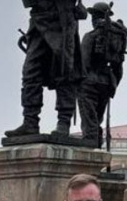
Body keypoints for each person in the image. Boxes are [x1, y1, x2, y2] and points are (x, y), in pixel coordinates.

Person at [5, 0, 87, 138]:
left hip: (61, 18)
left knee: (64, 71)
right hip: (37, 18)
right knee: (30, 72)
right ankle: (30, 122)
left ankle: (63, 122)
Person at [78, 2, 127, 147]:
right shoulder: (118, 38)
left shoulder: (90, 36)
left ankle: (90, 143)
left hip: (89, 82)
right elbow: (118, 68)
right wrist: (113, 85)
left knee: (89, 118)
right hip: (107, 83)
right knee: (96, 118)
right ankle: (96, 143)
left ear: (94, 17)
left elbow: (84, 63)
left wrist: (78, 82)